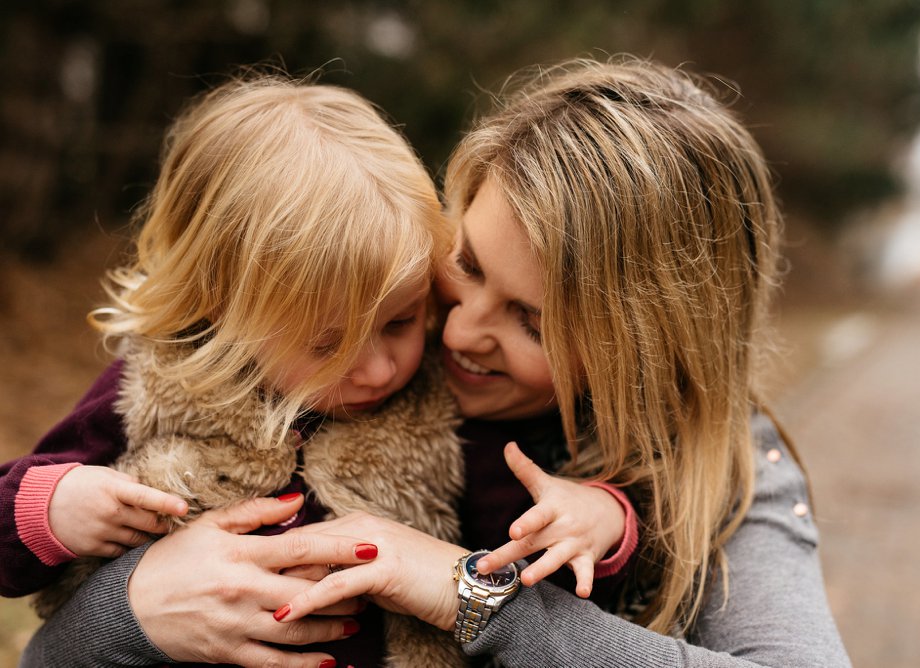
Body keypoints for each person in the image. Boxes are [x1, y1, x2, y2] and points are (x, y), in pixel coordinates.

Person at [19, 55, 850, 668]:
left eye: (530, 319)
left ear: (648, 352)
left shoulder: (726, 469)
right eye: (468, 268)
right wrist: (135, 605)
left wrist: (468, 592)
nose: (456, 335)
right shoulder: (343, 360)